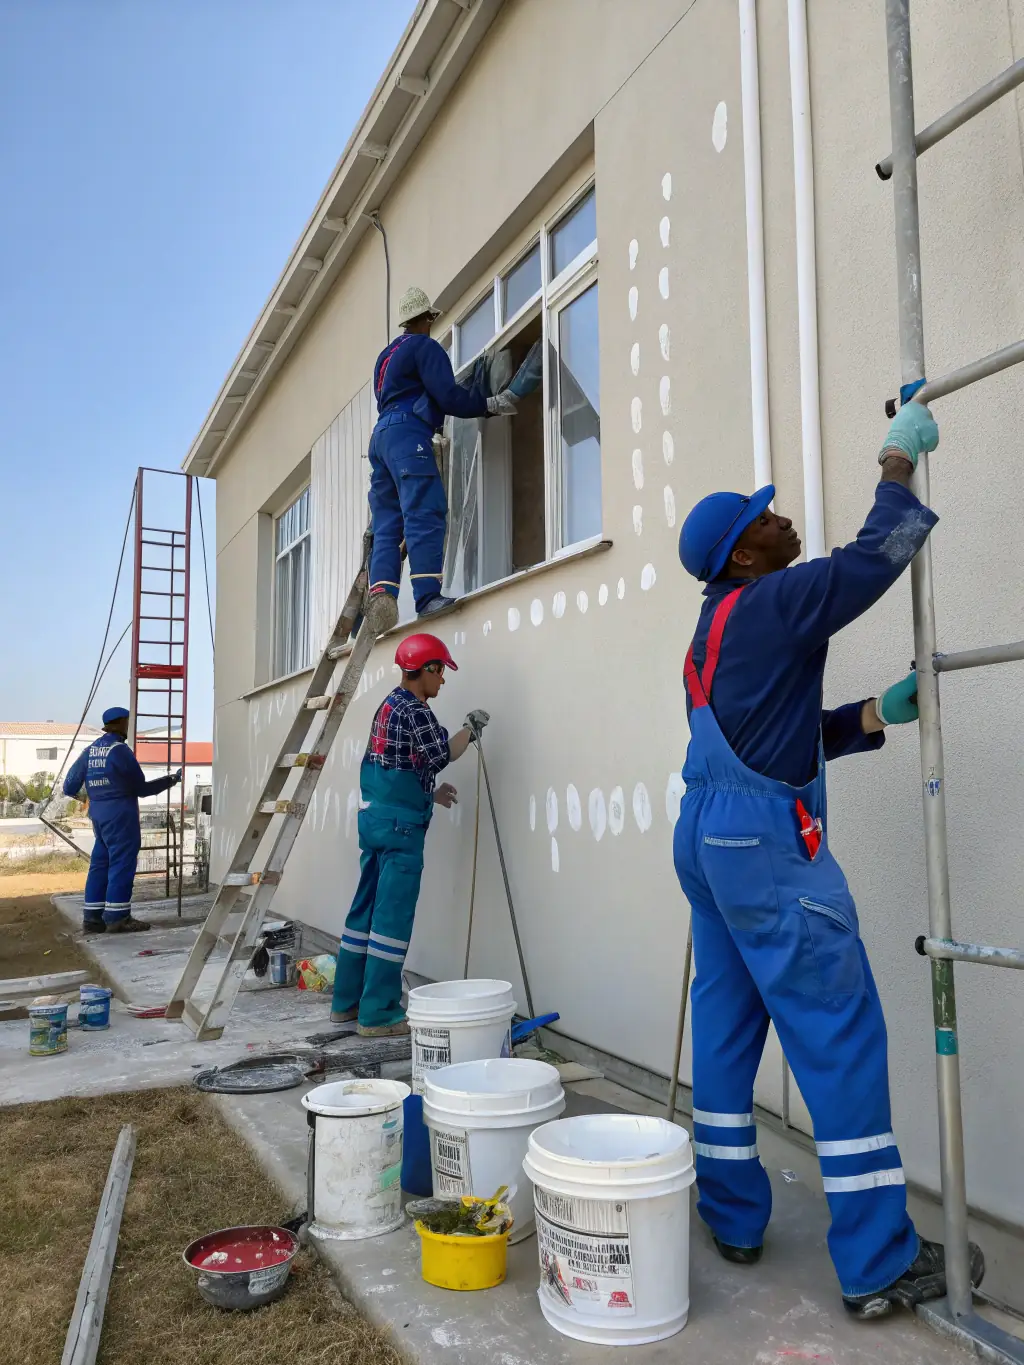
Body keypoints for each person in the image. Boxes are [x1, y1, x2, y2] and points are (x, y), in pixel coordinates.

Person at [673, 400, 985, 1319]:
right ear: (744, 554)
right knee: (838, 1030)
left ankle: (730, 1211)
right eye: (765, 520)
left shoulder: (714, 630)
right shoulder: (775, 599)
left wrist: (868, 720)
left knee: (727, 1026)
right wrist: (898, 459)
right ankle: (879, 1260)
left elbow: (770, 735)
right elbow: (872, 560)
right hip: (763, 849)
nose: (781, 520)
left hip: (707, 839)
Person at [331, 632, 489, 1036]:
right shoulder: (416, 711)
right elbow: (440, 755)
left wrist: (428, 795)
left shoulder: (388, 705)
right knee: (392, 918)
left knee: (363, 910)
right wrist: (469, 731)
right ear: (427, 669)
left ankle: (346, 1003)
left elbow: (395, 763)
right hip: (401, 829)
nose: (443, 681)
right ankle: (379, 1012)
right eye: (441, 672)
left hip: (376, 820)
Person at [367, 285, 518, 619]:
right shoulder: (425, 347)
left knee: (388, 523)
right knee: (423, 511)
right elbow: (448, 397)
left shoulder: (386, 357)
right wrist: (487, 405)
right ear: (427, 318)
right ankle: (426, 598)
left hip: (381, 440)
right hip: (409, 437)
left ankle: (382, 591)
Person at [63, 706, 182, 933]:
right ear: (121, 723)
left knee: (100, 864)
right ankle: (118, 917)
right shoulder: (120, 751)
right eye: (128, 721)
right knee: (121, 864)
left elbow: (69, 787)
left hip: (99, 818)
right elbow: (142, 788)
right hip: (121, 817)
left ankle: (92, 918)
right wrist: (170, 780)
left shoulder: (89, 751)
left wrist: (93, 796)